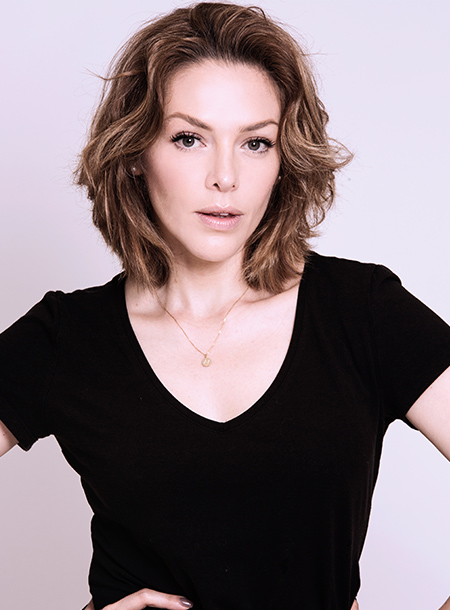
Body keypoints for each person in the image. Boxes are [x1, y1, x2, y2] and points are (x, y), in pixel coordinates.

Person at [0, 3, 449, 609]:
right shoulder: (67, 337)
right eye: (189, 138)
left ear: (283, 162)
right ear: (135, 151)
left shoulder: (361, 312)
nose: (225, 177)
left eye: (256, 143)